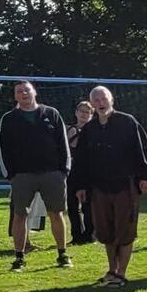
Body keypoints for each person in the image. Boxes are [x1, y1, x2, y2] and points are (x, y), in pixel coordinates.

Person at [71, 85, 147, 287]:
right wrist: (80, 186)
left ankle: (121, 273)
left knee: (125, 230)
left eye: (103, 99)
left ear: (112, 100)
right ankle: (111, 270)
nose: (100, 103)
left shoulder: (128, 122)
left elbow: (143, 150)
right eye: (96, 100)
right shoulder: (89, 130)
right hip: (99, 187)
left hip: (125, 185)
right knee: (105, 231)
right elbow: (82, 160)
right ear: (92, 105)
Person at [0, 80, 72, 271]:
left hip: (52, 174)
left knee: (56, 214)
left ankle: (62, 254)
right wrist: (11, 175)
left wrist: (63, 171)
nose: (24, 94)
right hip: (22, 176)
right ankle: (19, 257)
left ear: (34, 92)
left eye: (27, 90)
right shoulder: (9, 118)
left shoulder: (51, 113)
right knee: (20, 215)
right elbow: (3, 149)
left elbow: (63, 143)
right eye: (19, 91)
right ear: (15, 96)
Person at [64, 101, 94, 244]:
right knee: (72, 205)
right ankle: (76, 236)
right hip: (71, 172)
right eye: (81, 111)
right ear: (76, 113)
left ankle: (89, 235)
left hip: (88, 172)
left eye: (87, 112)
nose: (84, 114)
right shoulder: (67, 129)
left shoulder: (94, 131)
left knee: (88, 205)